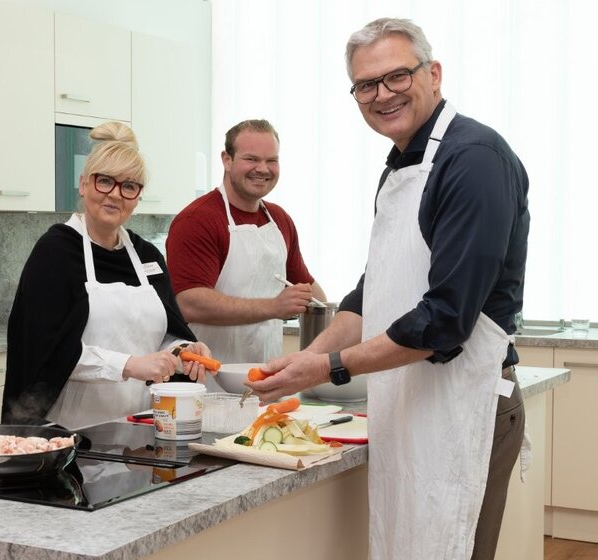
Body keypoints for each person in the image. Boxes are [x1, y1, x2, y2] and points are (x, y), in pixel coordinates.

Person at [249, 18, 529, 560]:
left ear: (434, 74)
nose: (382, 94)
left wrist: (329, 368)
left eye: (397, 75)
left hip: (467, 401)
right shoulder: (402, 163)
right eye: (365, 85)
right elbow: (370, 290)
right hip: (412, 401)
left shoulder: (473, 160)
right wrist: (304, 359)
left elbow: (446, 318)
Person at [2, 122, 213, 429]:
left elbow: (166, 331)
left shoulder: (146, 257)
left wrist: (183, 350)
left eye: (129, 186)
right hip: (71, 433)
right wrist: (129, 365)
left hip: (139, 427)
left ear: (138, 197)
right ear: (83, 184)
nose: (115, 195)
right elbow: (45, 349)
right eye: (105, 181)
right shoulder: (56, 252)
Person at [166, 119, 326, 385]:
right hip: (206, 383)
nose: (262, 169)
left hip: (266, 381)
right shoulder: (197, 220)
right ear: (226, 160)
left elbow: (306, 287)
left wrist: (336, 317)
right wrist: (274, 307)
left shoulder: (279, 219)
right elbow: (189, 303)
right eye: (251, 159)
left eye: (271, 160)